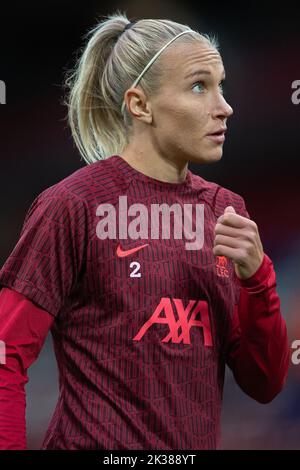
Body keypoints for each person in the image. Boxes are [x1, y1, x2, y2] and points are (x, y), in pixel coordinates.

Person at [0, 12, 289, 450]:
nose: (224, 105)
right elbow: (6, 356)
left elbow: (264, 383)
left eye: (221, 84)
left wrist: (258, 281)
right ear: (140, 105)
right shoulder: (74, 206)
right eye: (199, 86)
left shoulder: (226, 212)